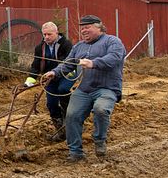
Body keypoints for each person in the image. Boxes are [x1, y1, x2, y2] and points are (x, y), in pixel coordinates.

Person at [42, 15, 126, 162]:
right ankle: (75, 152)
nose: (84, 31)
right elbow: (67, 64)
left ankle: (99, 140)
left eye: (87, 27)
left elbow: (114, 58)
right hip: (84, 89)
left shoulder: (112, 42)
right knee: (72, 115)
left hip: (107, 88)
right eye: (82, 28)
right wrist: (54, 72)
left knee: (101, 109)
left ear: (99, 27)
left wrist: (93, 63)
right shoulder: (79, 47)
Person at [24, 22, 73, 142]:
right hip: (49, 78)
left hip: (67, 75)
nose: (46, 37)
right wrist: (30, 80)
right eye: (44, 34)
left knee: (62, 90)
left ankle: (69, 117)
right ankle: (61, 131)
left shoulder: (66, 45)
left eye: (49, 34)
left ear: (56, 33)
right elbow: (35, 65)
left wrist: (56, 72)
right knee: (51, 104)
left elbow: (68, 62)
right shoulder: (40, 48)